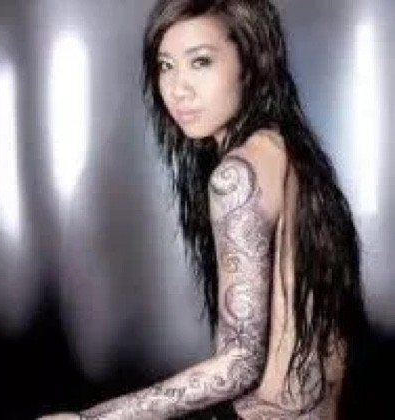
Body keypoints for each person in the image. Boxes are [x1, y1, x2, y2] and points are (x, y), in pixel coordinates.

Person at [39, 0, 364, 418]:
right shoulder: (286, 150)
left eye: (201, 62)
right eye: (166, 66)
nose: (178, 88)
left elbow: (238, 365)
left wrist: (91, 419)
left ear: (251, 62)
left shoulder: (238, 175)